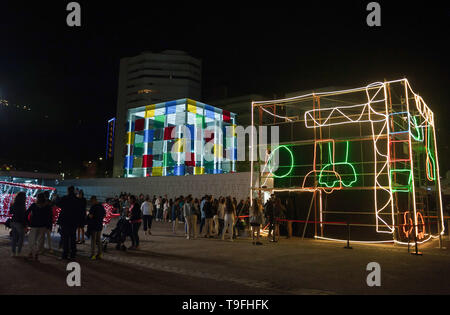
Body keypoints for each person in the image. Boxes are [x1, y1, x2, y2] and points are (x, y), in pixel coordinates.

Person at [56, 186, 83, 260]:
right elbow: (80, 211)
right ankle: (73, 254)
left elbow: (58, 204)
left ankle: (65, 254)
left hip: (65, 221)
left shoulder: (65, 198)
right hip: (74, 221)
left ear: (68, 190)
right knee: (73, 238)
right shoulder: (77, 200)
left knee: (65, 238)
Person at [27, 193, 53, 261]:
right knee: (40, 240)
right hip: (43, 226)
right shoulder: (47, 206)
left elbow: (27, 213)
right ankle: (36, 253)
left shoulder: (34, 205)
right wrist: (49, 225)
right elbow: (50, 217)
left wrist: (27, 222)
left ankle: (31, 252)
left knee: (32, 239)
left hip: (34, 225)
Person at [87, 196, 106, 260]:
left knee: (93, 241)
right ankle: (100, 254)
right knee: (98, 240)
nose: (91, 203)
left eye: (91, 201)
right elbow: (104, 215)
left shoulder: (93, 207)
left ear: (93, 200)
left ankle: (93, 255)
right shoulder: (101, 206)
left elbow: (91, 216)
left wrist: (88, 215)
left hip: (94, 226)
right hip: (99, 225)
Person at [9, 192, 27, 257]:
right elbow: (23, 216)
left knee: (14, 237)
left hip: (13, 222)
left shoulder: (14, 204)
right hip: (20, 222)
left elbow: (11, 212)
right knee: (21, 238)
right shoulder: (22, 205)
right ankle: (18, 252)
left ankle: (13, 252)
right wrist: (25, 224)